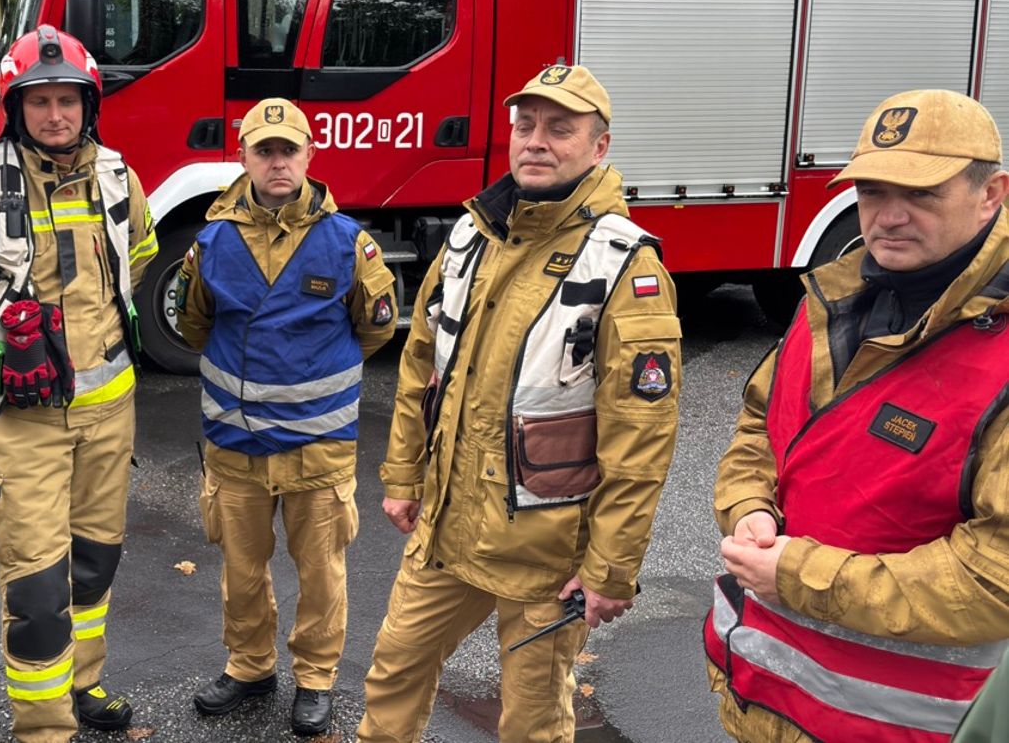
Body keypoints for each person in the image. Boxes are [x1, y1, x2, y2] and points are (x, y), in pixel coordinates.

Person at [357, 64, 682, 743]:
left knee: (532, 721)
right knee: (393, 672)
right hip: (447, 530)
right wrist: (403, 475)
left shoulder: (623, 265)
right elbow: (421, 365)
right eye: (525, 125)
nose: (536, 140)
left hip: (547, 559)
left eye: (560, 129)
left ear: (599, 146)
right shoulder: (470, 236)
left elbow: (640, 440)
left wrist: (610, 569)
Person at [706, 89, 1009, 743]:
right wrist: (748, 502)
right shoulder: (833, 296)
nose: (888, 216)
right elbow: (762, 421)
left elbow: (995, 577)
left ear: (991, 194)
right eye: (872, 191)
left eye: (921, 192)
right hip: (764, 701)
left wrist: (798, 576)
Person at [0, 25, 158, 743]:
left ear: (88, 105)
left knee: (94, 566)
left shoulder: (118, 178)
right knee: (35, 589)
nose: (55, 115)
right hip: (25, 425)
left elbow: (139, 261)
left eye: (67, 100)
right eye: (39, 101)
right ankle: (44, 729)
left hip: (109, 414)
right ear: (15, 107)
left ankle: (83, 682)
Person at [176, 97, 396, 736]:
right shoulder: (212, 243)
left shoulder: (348, 243)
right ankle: (249, 667)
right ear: (243, 158)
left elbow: (375, 330)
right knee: (242, 571)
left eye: (288, 150)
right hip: (234, 444)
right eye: (264, 151)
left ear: (308, 156)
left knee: (321, 572)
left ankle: (316, 677)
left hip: (317, 445)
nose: (277, 162)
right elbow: (194, 326)